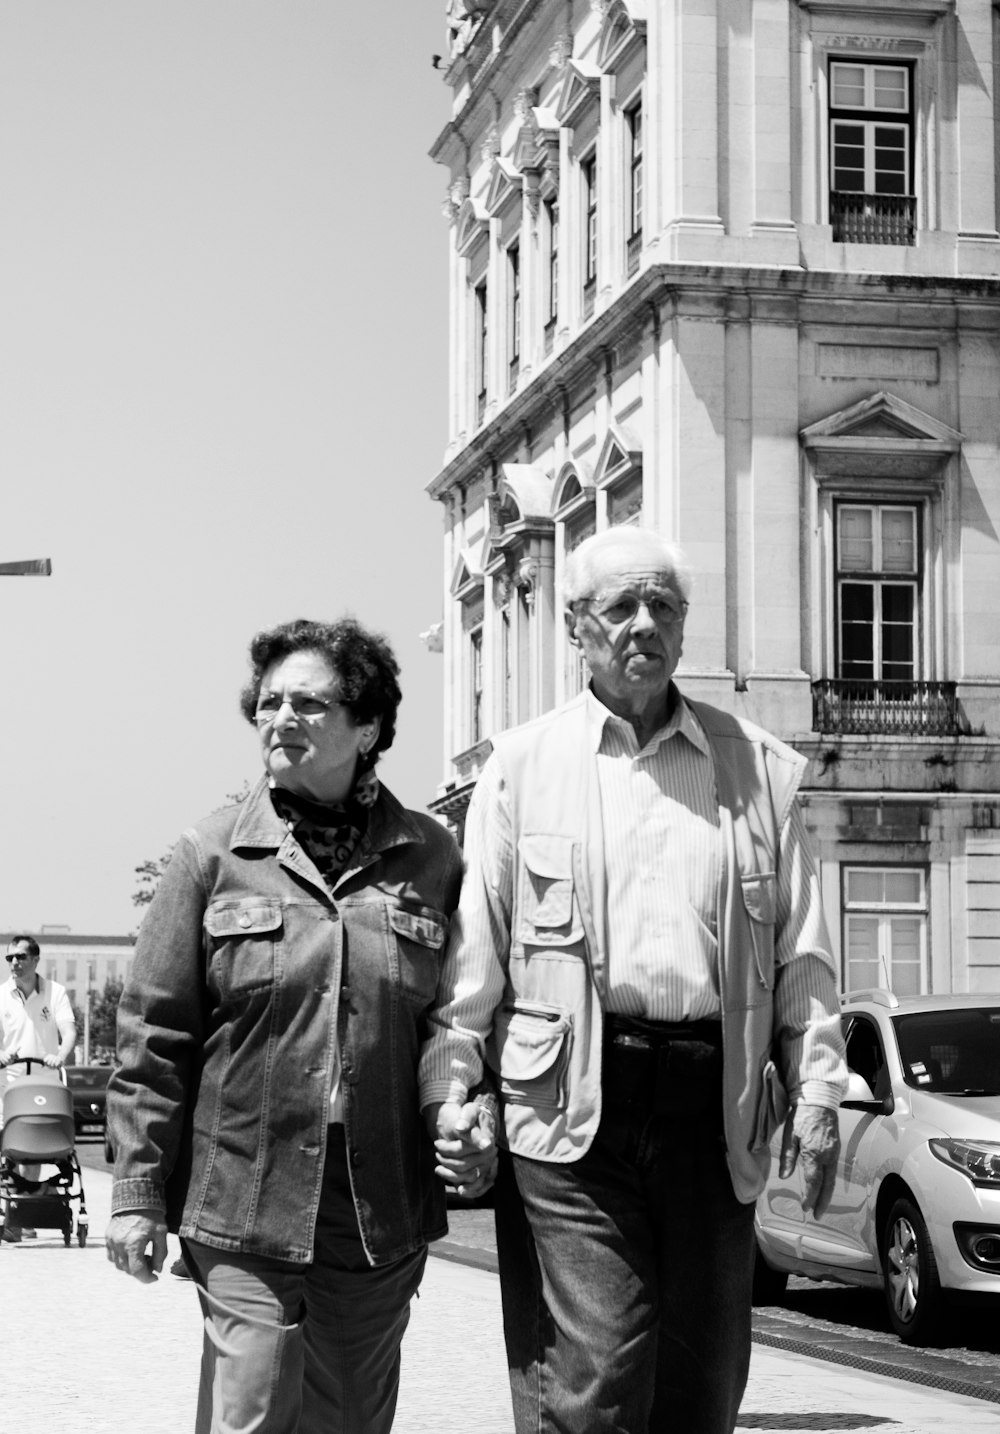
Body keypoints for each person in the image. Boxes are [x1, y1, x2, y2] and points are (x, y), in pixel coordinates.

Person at [420, 527, 849, 1434]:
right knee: (602, 1365)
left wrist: (816, 1095)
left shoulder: (762, 773)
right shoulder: (521, 768)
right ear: (578, 626)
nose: (643, 623)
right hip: (571, 1105)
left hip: (713, 1107)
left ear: (685, 630)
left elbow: (803, 954)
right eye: (621, 606)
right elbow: (476, 955)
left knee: (703, 1381)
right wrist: (455, 1091)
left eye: (664, 605)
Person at [105, 617, 490, 1434]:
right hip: (242, 1197)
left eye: (310, 704)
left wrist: (462, 1106)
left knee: (349, 1420)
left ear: (369, 728)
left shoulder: (433, 858)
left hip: (376, 1210)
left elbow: (453, 1022)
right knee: (252, 1414)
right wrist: (137, 1194)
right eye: (269, 702)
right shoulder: (210, 855)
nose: (282, 719)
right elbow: (155, 1037)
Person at [0, 934, 78, 1239]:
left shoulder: (55, 993)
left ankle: (23, 1219)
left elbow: (68, 1030)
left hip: (44, 1085)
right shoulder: (2, 994)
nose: (14, 963)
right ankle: (15, 1214)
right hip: (10, 1085)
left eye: (20, 957)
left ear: (35, 960)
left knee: (33, 1150)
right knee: (9, 1151)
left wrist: (59, 1055)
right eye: (9, 958)